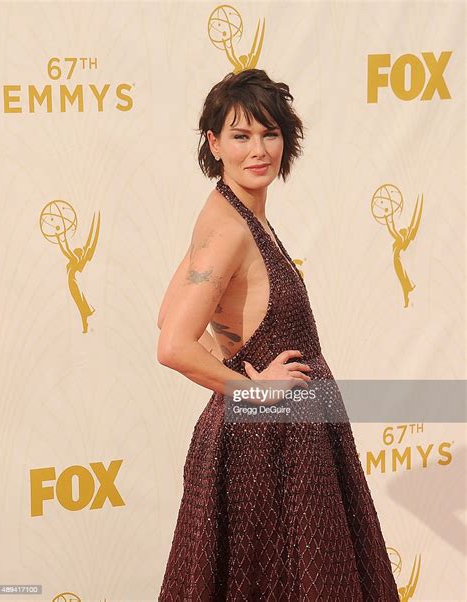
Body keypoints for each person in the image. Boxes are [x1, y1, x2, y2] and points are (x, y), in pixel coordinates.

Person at [157, 69, 399, 600]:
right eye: (241, 136)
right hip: (269, 447)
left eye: (270, 133)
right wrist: (254, 391)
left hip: (285, 439)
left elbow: (166, 315)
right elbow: (172, 343)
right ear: (213, 142)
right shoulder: (227, 229)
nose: (259, 150)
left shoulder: (234, 213)